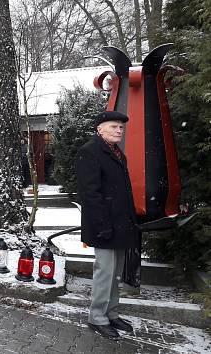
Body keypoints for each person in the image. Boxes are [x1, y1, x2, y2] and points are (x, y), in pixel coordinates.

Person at [75, 111, 139, 340]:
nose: (119, 131)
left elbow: (123, 192)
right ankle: (97, 318)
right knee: (105, 273)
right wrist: (103, 225)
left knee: (115, 274)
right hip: (103, 225)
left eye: (121, 128)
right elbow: (90, 194)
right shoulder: (89, 152)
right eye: (114, 126)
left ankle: (111, 313)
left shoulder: (117, 154)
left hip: (121, 224)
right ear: (100, 129)